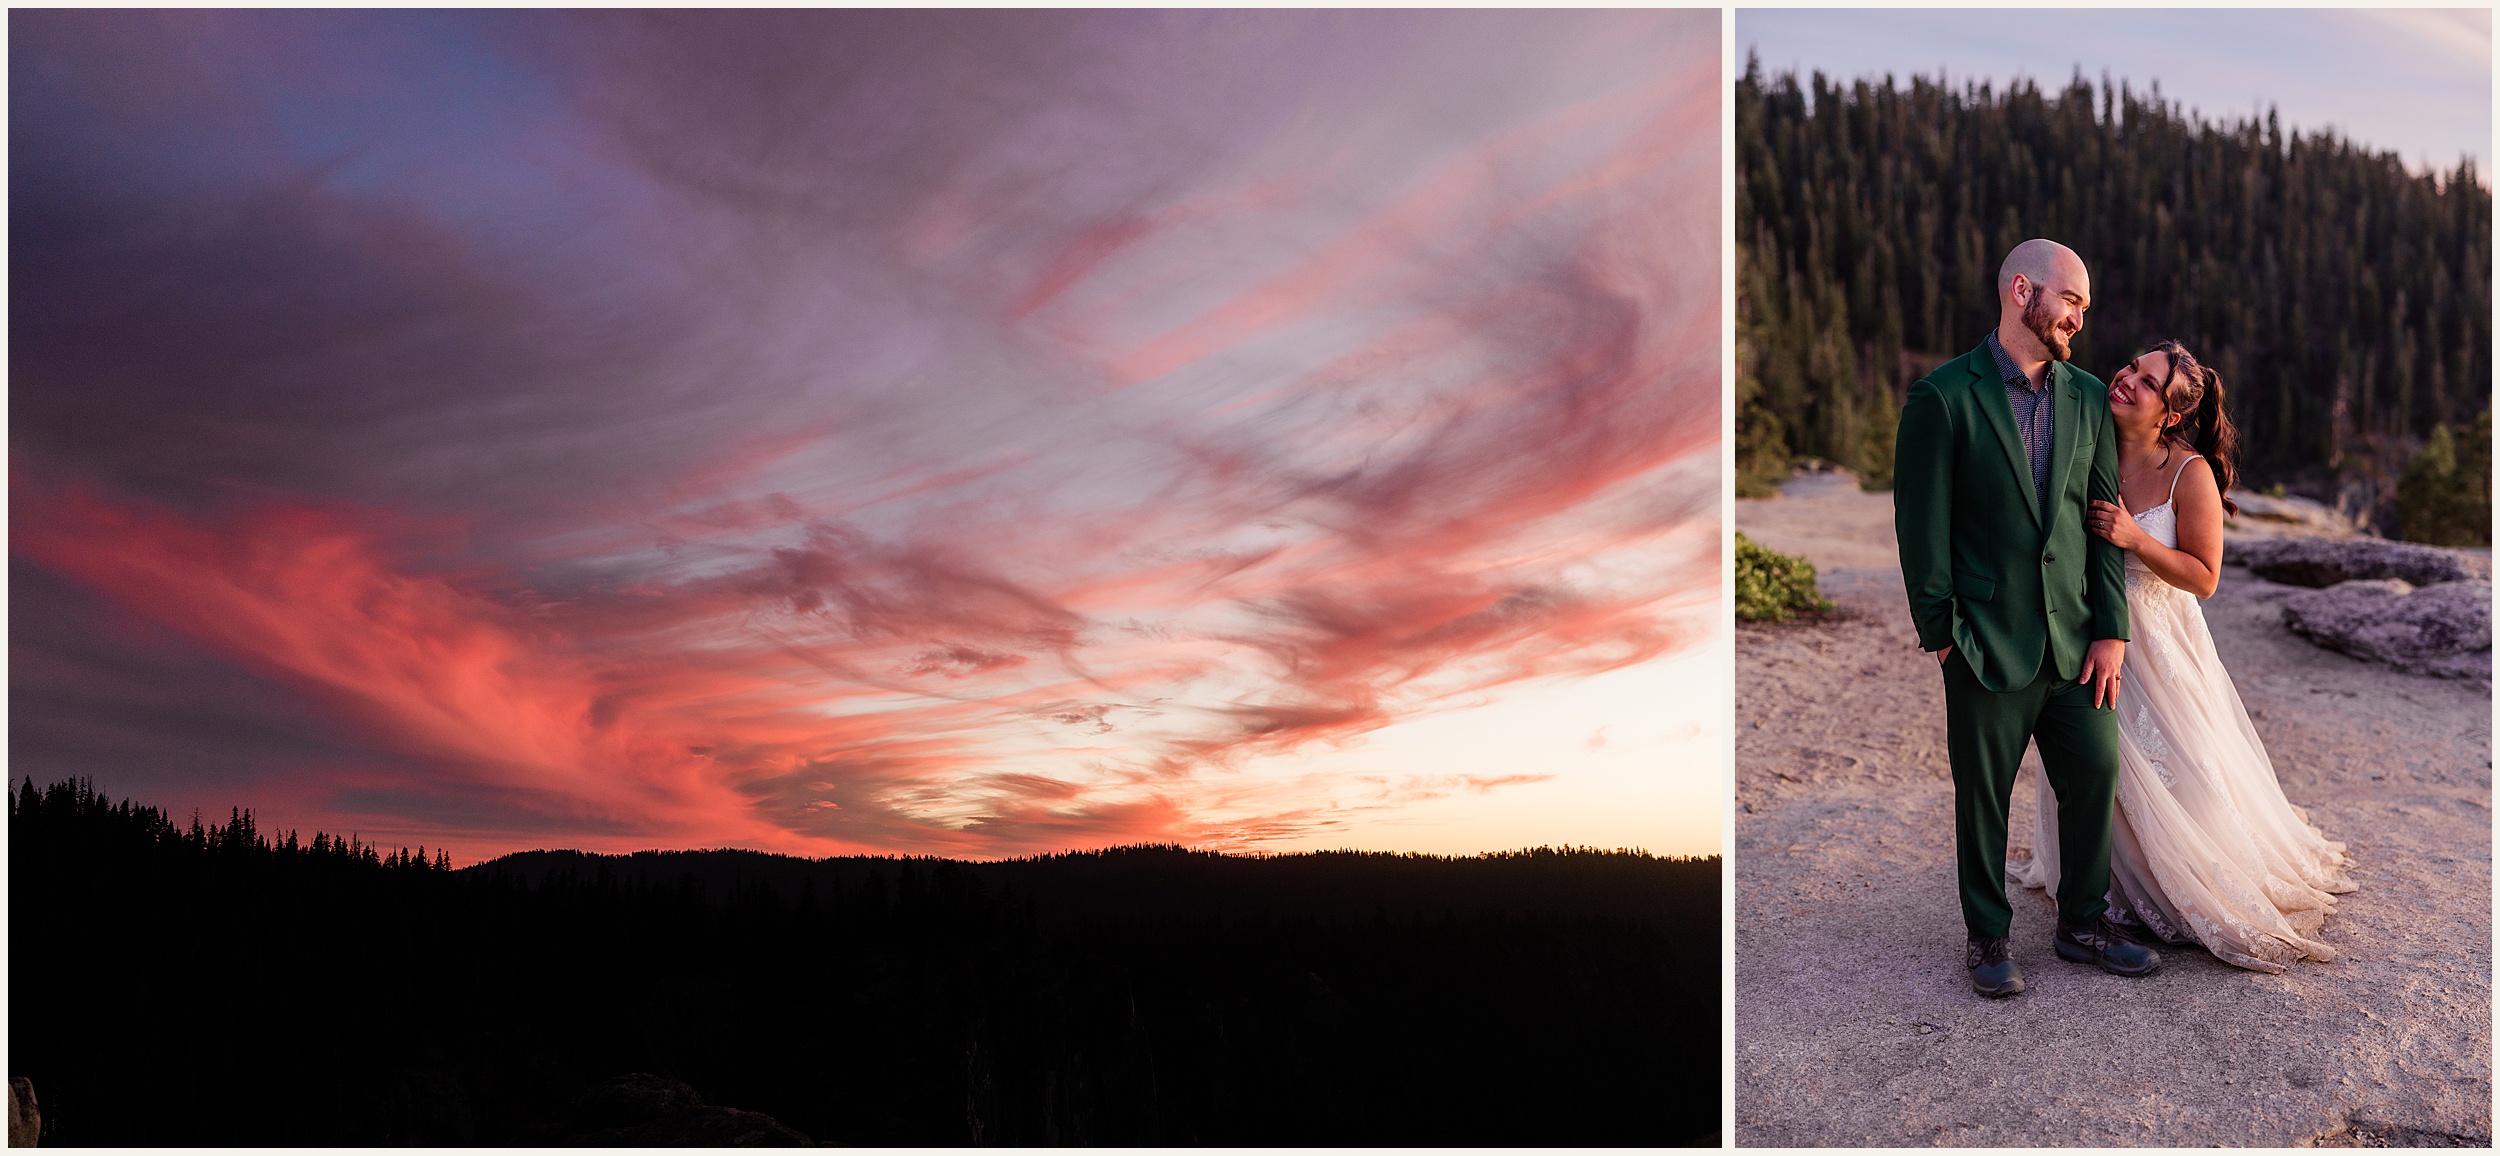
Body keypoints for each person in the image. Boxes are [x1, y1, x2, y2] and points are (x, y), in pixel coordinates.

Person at [2009, 339, 2357, 972]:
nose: (2127, 380)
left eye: (2147, 383)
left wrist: (2135, 537)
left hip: (2159, 637)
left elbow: (2204, 576)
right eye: (2133, 367)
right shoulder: (2088, 438)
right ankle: (2096, 886)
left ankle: (2186, 877)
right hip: (2088, 632)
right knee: (2090, 763)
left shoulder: (2188, 472)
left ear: (2168, 415)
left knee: (2181, 765)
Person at [1894, 237, 2160, 998]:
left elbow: (2102, 522)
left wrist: (2111, 628)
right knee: (1983, 793)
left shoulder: (2085, 398)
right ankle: (1987, 937)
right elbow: (1921, 530)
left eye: (2083, 306)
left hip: (2076, 641)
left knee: (2095, 772)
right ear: (2022, 291)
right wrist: (1943, 637)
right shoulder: (1942, 397)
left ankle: (2082, 925)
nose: (2079, 316)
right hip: (1984, 641)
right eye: (2070, 299)